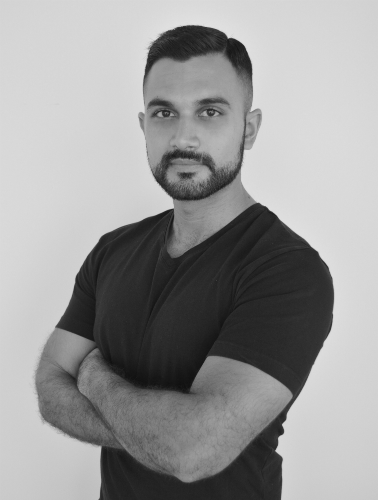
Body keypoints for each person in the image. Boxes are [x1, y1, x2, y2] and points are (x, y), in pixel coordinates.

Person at [35, 25, 334, 500]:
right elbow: (50, 387)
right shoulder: (113, 250)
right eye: (164, 112)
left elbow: (193, 452)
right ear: (143, 126)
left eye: (210, 111)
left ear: (249, 129)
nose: (184, 136)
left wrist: (92, 375)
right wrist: (157, 434)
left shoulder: (287, 271)